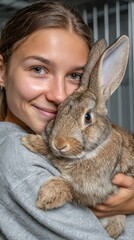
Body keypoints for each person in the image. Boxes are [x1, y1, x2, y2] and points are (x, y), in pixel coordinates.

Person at [0, 1, 134, 239]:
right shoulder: (15, 155)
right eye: (39, 69)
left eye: (75, 75)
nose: (60, 95)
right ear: (2, 72)